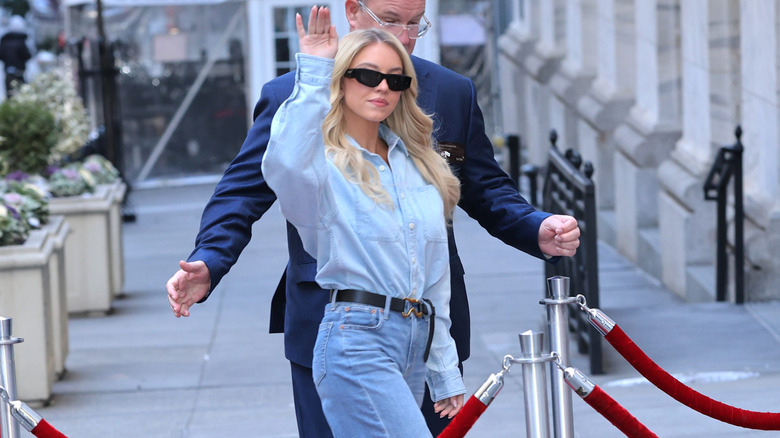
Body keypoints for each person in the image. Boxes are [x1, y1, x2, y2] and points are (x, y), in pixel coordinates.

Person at [167, 0, 581, 436]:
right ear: (353, 11)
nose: (404, 36)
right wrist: (210, 260)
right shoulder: (294, 96)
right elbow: (246, 190)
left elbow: (484, 187)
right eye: (390, 20)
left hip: (430, 325)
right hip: (332, 319)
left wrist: (534, 226)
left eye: (415, 24)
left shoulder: (451, 92)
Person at [263, 8, 465, 434]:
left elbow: (433, 280)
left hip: (414, 338)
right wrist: (316, 70)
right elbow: (284, 162)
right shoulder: (324, 169)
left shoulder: (418, 166)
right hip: (356, 340)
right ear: (342, 80)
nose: (383, 88)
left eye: (397, 79)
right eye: (368, 75)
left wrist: (444, 368)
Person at [0, 15, 31, 98]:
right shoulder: (22, 41)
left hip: (8, 71)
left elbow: (1, 55)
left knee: (10, 94)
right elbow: (27, 55)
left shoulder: (5, 41)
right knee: (22, 94)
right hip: (20, 71)